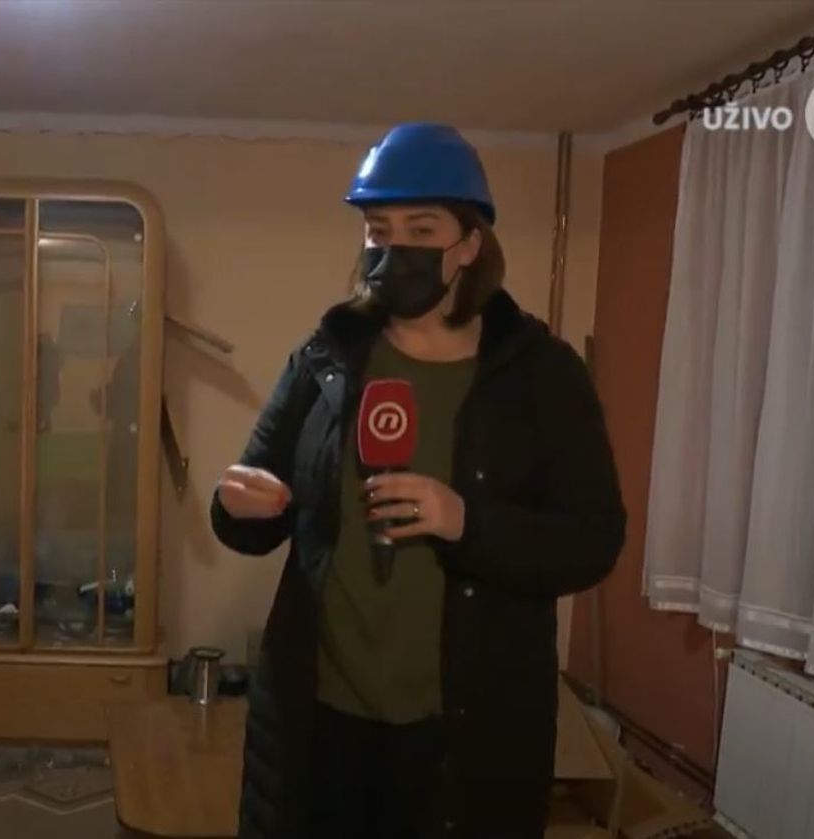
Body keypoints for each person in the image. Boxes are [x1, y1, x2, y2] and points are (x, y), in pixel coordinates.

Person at [211, 123, 625, 838]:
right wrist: (239, 505)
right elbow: (251, 507)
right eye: (379, 230)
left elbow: (593, 540)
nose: (393, 248)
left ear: (469, 244)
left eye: (421, 229)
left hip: (466, 729)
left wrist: (467, 520)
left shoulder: (541, 374)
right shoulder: (324, 358)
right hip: (321, 715)